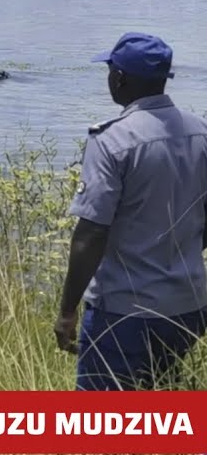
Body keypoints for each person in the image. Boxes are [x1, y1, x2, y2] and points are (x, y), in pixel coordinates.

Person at [54, 32, 207, 391]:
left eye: (110, 71)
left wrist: (67, 311)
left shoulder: (112, 140)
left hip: (125, 311)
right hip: (189, 305)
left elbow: (92, 233)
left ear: (120, 78)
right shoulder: (200, 133)